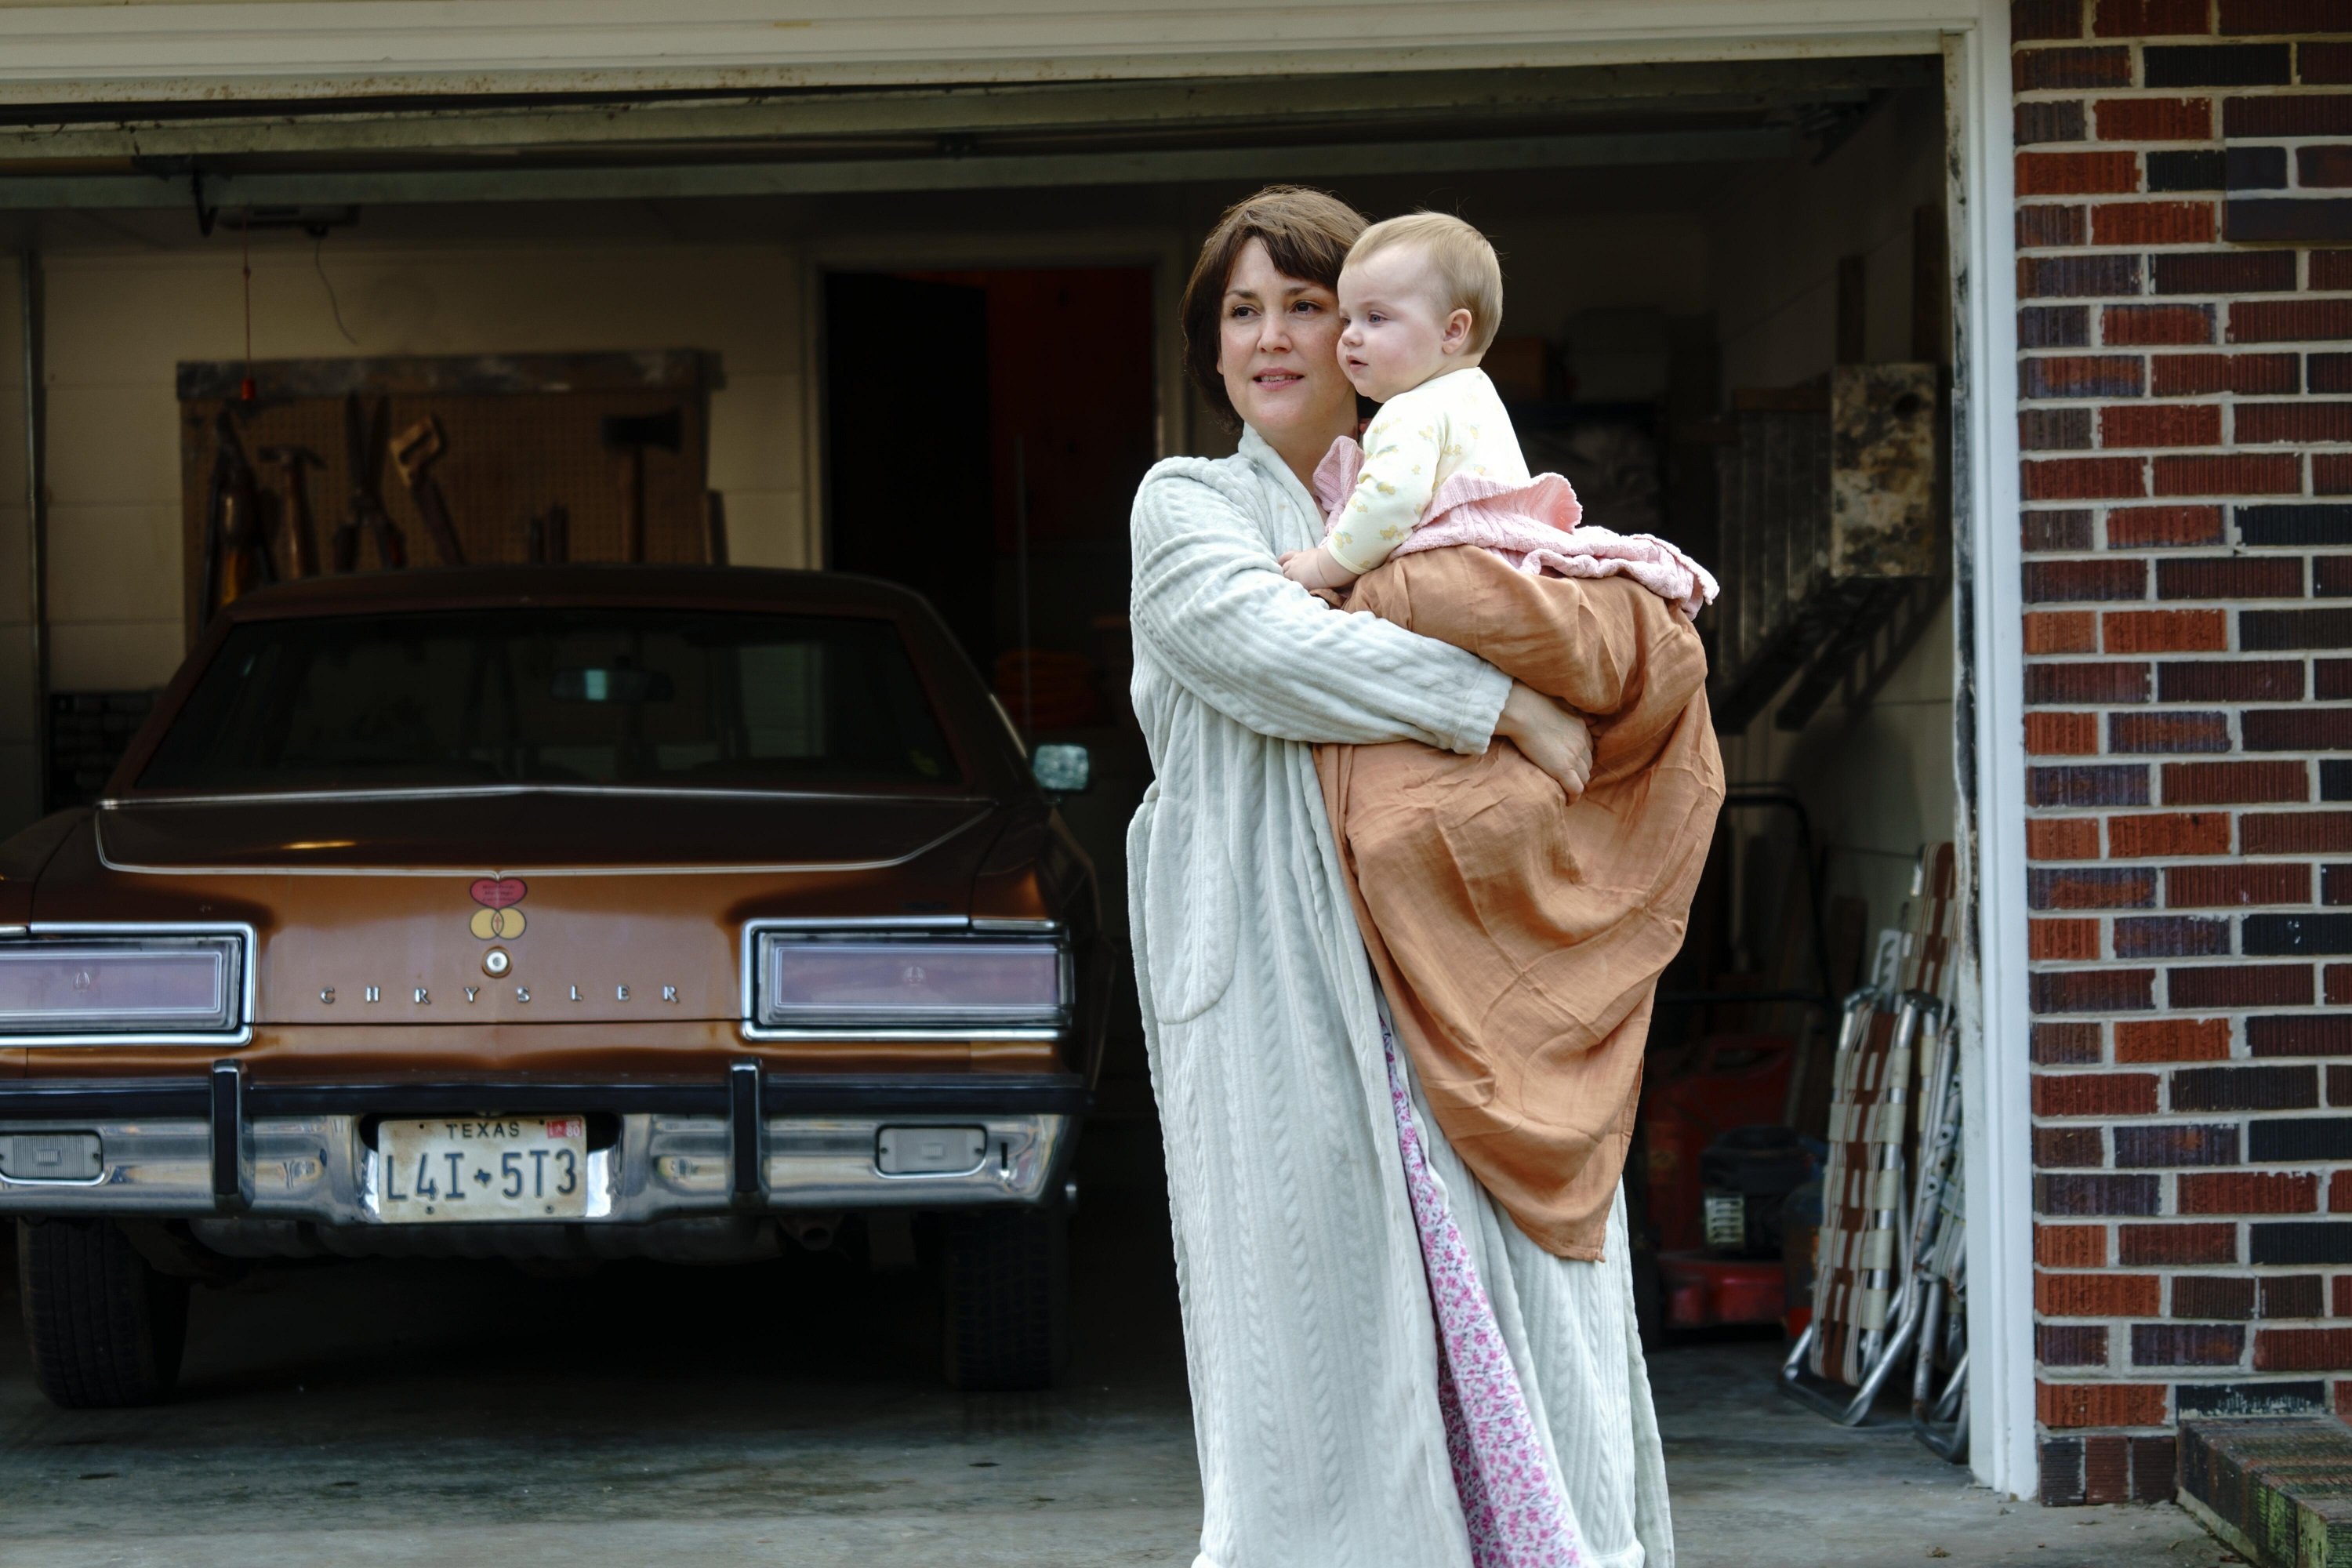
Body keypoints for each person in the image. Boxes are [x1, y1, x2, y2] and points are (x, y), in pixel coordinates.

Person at [1127, 185, 1674, 1568]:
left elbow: (1590, 630)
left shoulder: (1462, 502)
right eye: (1241, 313)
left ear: (1397, 329)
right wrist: (1496, 706)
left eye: (1307, 305)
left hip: (1452, 968)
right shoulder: (1189, 505)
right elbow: (1262, 641)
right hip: (1275, 968)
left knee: (1507, 1299)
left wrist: (1539, 695)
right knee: (1313, 1339)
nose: (1273, 339)